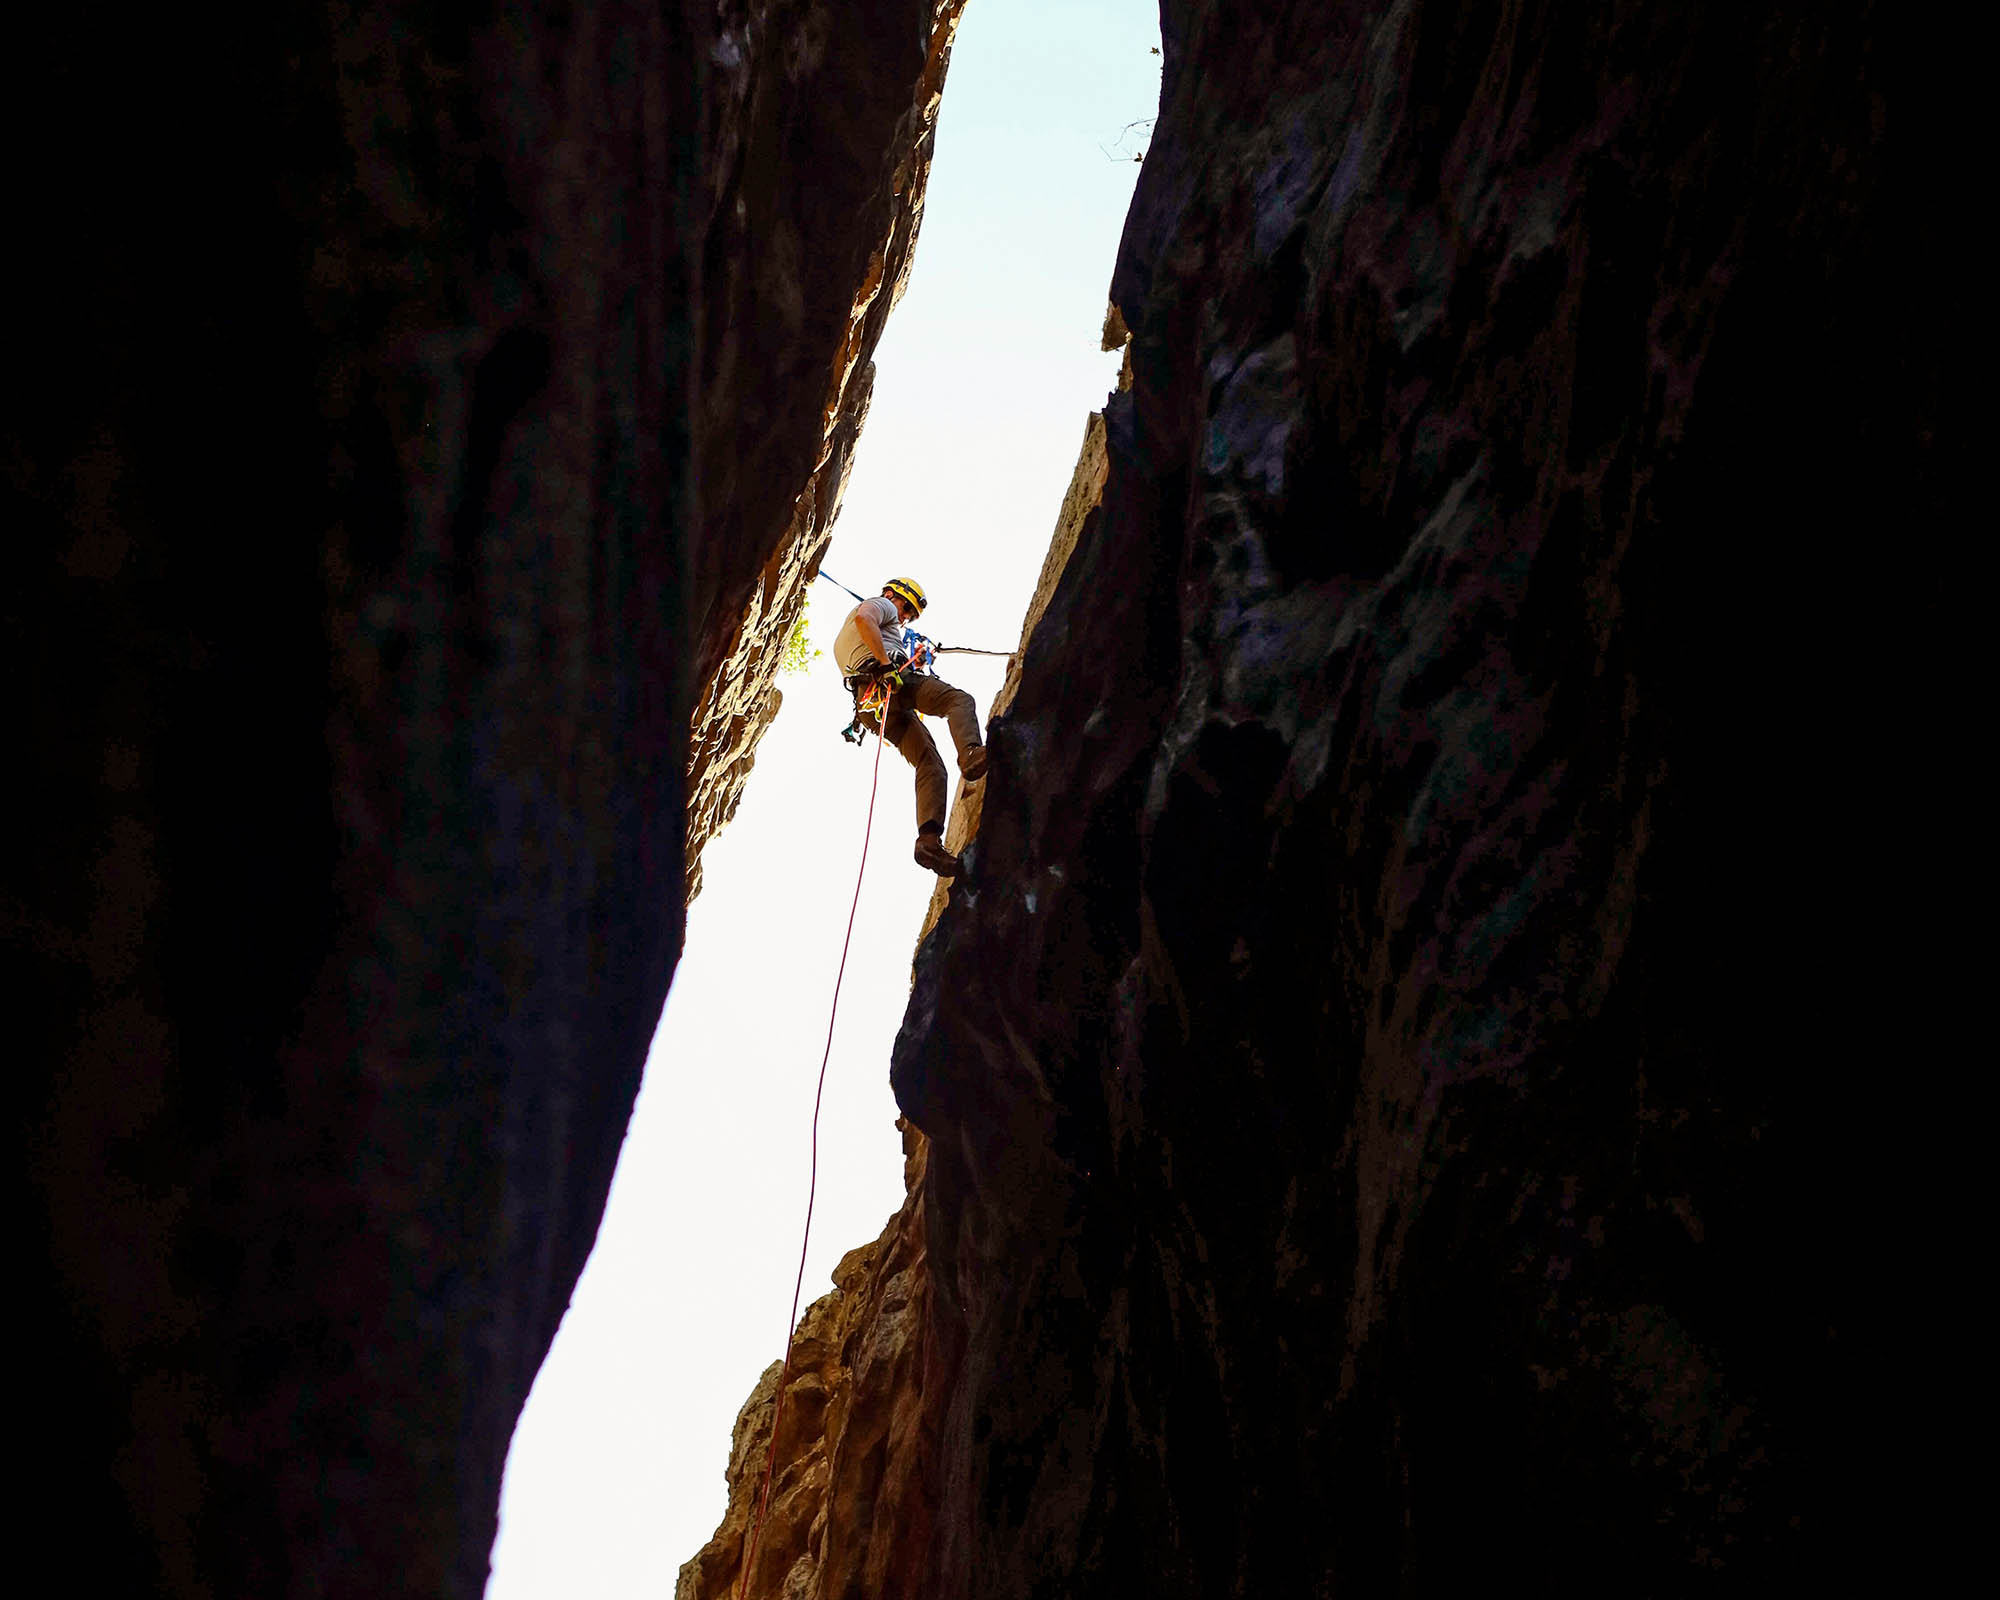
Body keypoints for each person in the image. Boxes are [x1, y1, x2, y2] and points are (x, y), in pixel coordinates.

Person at [833, 576, 987, 876]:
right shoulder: (881, 605)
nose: (904, 618)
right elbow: (867, 619)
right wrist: (887, 665)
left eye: (910, 616)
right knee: (958, 701)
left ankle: (928, 840)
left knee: (929, 763)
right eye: (907, 609)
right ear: (893, 594)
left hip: (870, 706)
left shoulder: (843, 635)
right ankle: (970, 754)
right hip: (888, 680)